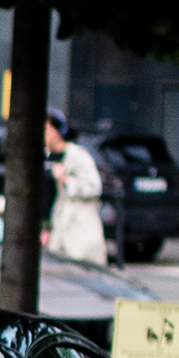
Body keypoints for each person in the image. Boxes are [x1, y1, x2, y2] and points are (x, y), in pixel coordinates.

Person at [45, 109, 108, 264]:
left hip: (77, 229)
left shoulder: (77, 156)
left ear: (58, 131)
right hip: (54, 228)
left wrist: (65, 179)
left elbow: (94, 187)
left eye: (45, 129)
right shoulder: (45, 155)